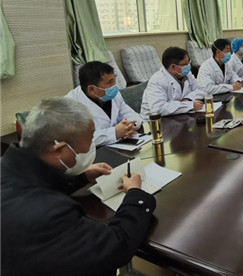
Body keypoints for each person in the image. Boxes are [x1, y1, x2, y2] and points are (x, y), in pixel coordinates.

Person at [1, 97, 156, 276]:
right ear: (59, 149)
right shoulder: (50, 213)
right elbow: (116, 247)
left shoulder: (9, 167)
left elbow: (39, 183)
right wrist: (136, 195)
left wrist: (81, 177)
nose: (91, 147)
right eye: (90, 139)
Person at [66, 61, 142, 146]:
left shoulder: (113, 94)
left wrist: (130, 126)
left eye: (114, 80)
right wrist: (115, 133)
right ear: (92, 89)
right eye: (110, 82)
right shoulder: (70, 106)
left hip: (120, 144)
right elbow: (80, 140)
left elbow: (131, 114)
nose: (114, 85)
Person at [141, 47, 205, 118]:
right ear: (173, 67)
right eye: (185, 64)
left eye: (188, 62)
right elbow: (158, 109)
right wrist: (189, 105)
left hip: (179, 116)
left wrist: (188, 99)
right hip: (155, 121)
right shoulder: (157, 81)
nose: (188, 66)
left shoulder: (187, 74)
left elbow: (202, 89)